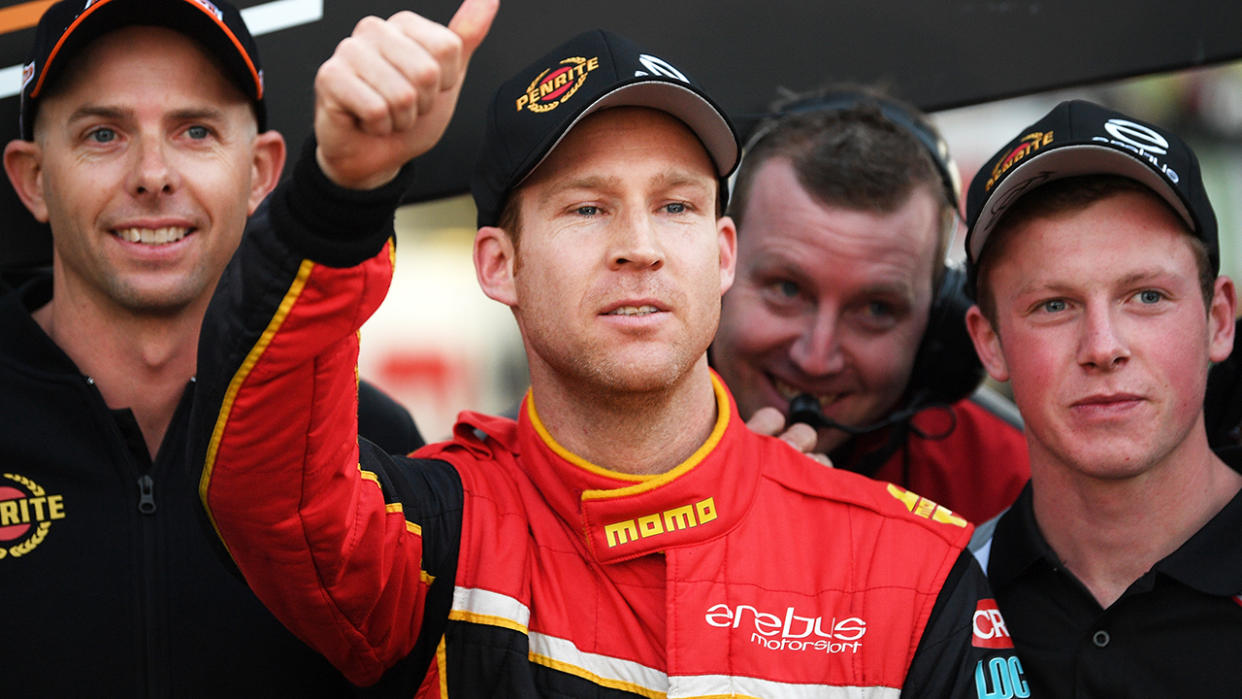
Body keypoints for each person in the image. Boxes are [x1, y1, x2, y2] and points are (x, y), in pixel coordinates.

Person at [189, 5, 1033, 695]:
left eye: (674, 206)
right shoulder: (434, 535)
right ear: (499, 264)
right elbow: (266, 488)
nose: (640, 246)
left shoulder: (917, 568)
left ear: (723, 252)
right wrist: (342, 191)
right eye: (587, 208)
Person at [0, 1, 422, 695]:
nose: (153, 174)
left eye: (195, 130)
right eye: (103, 134)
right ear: (34, 178)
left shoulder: (370, 439)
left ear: (261, 171)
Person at [963, 99, 1240, 696]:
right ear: (989, 344)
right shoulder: (939, 599)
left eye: (1145, 296)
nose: (1103, 347)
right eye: (1054, 305)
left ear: (1219, 320)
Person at [711, 90, 1029, 523]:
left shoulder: (1016, 487)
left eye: (876, 310)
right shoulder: (592, 443)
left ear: (938, 322)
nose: (816, 359)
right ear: (715, 265)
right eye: (786, 289)